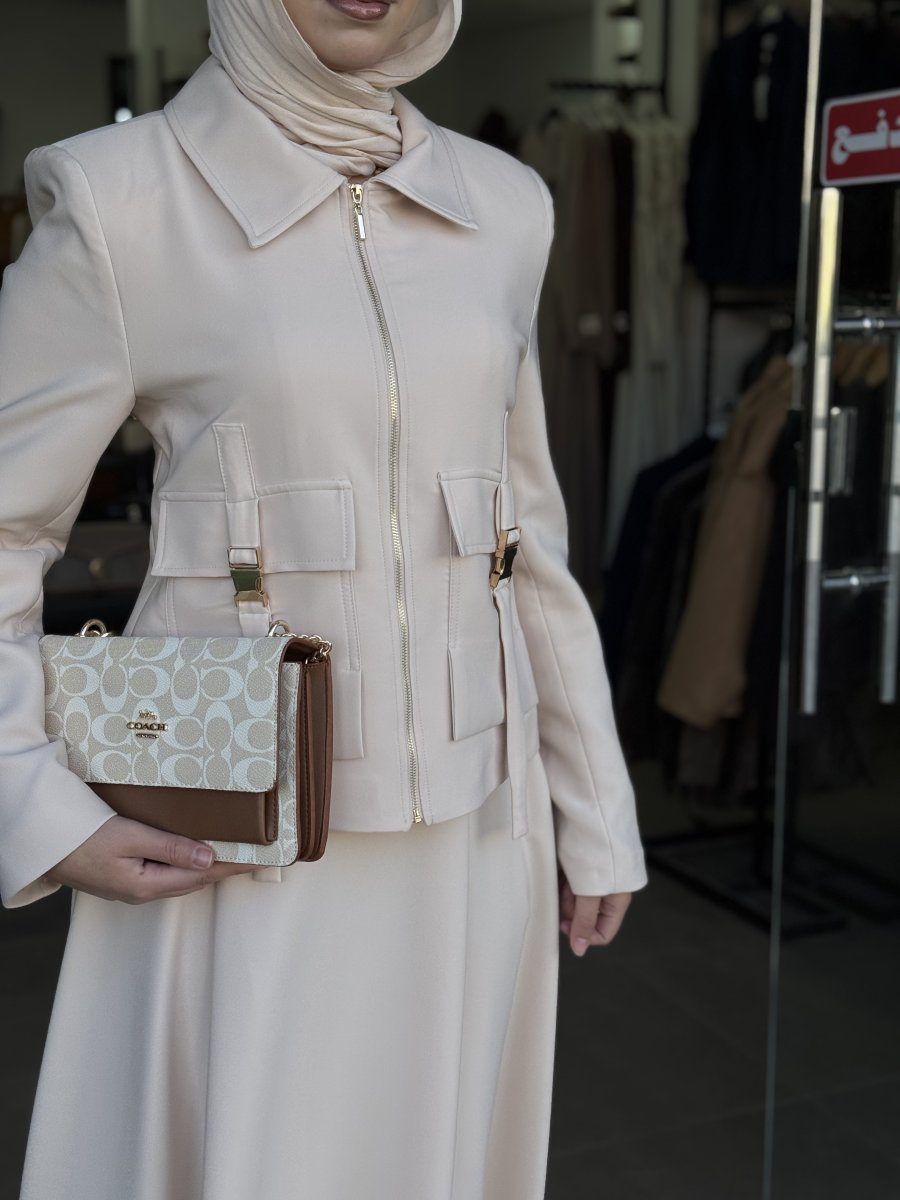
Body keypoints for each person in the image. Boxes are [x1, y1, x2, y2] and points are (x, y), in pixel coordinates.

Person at [0, 1, 648, 1196]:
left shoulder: (507, 206)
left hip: (477, 823)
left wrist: (594, 802)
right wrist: (35, 803)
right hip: (242, 836)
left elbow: (524, 531)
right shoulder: (121, 200)